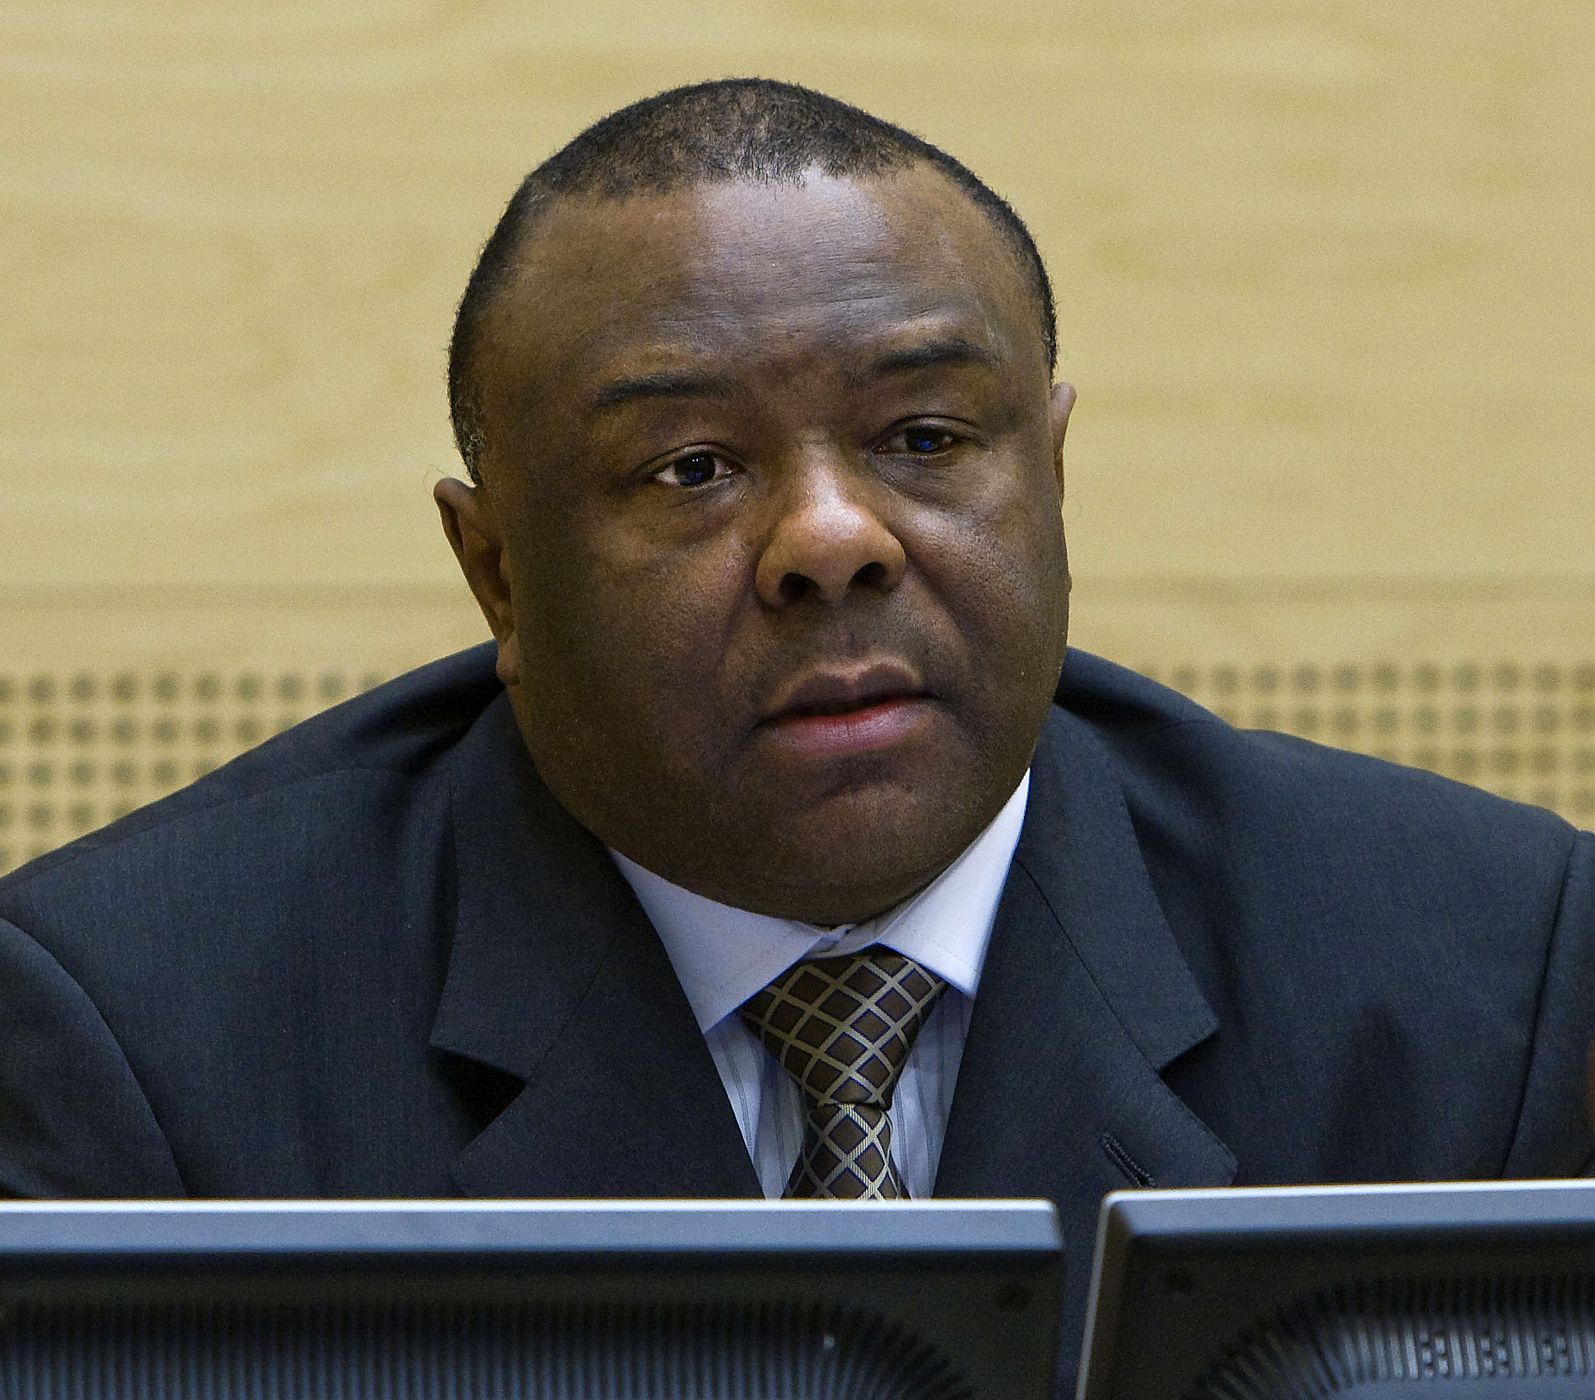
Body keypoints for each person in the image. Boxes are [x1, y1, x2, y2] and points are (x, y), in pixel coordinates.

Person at [1, 79, 1591, 1392]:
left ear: (1049, 477)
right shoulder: (137, 1037)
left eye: (926, 437)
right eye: (690, 468)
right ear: (496, 573)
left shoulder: (1490, 979)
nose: (833, 540)